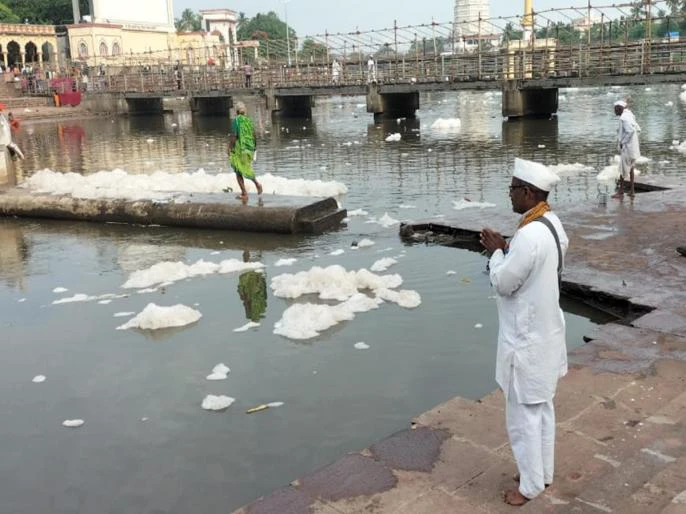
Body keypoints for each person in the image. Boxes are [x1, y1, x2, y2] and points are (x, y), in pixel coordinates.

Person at [480, 158, 569, 507]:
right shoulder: (551, 224)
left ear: (529, 193)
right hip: (545, 335)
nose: (510, 194)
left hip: (526, 342)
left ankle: (530, 487)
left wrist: (497, 252)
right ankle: (541, 473)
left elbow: (504, 283)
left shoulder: (529, 234)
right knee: (542, 410)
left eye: (513, 188)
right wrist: (507, 249)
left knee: (523, 420)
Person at [228, 101, 262, 200]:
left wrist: (230, 148)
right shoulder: (249, 121)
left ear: (236, 111)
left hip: (240, 149)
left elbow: (234, 136)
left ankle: (244, 193)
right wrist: (254, 147)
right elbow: (254, 135)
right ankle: (257, 184)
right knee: (247, 168)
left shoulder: (236, 121)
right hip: (249, 149)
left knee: (238, 170)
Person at [613, 100, 641, 199]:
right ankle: (632, 191)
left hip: (627, 148)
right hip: (633, 148)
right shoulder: (629, 115)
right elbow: (638, 129)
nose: (614, 111)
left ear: (619, 109)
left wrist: (623, 142)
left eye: (615, 109)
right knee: (631, 168)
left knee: (622, 170)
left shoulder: (623, 118)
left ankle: (620, 192)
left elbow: (630, 131)